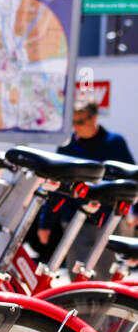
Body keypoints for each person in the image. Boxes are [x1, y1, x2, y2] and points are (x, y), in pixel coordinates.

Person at [31, 97, 134, 264]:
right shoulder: (67, 146)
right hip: (74, 219)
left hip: (107, 219)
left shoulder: (115, 143)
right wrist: (45, 223)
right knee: (76, 274)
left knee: (105, 273)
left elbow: (131, 179)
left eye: (80, 122)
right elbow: (56, 184)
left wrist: (135, 212)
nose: (75, 127)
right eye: (72, 122)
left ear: (94, 118)